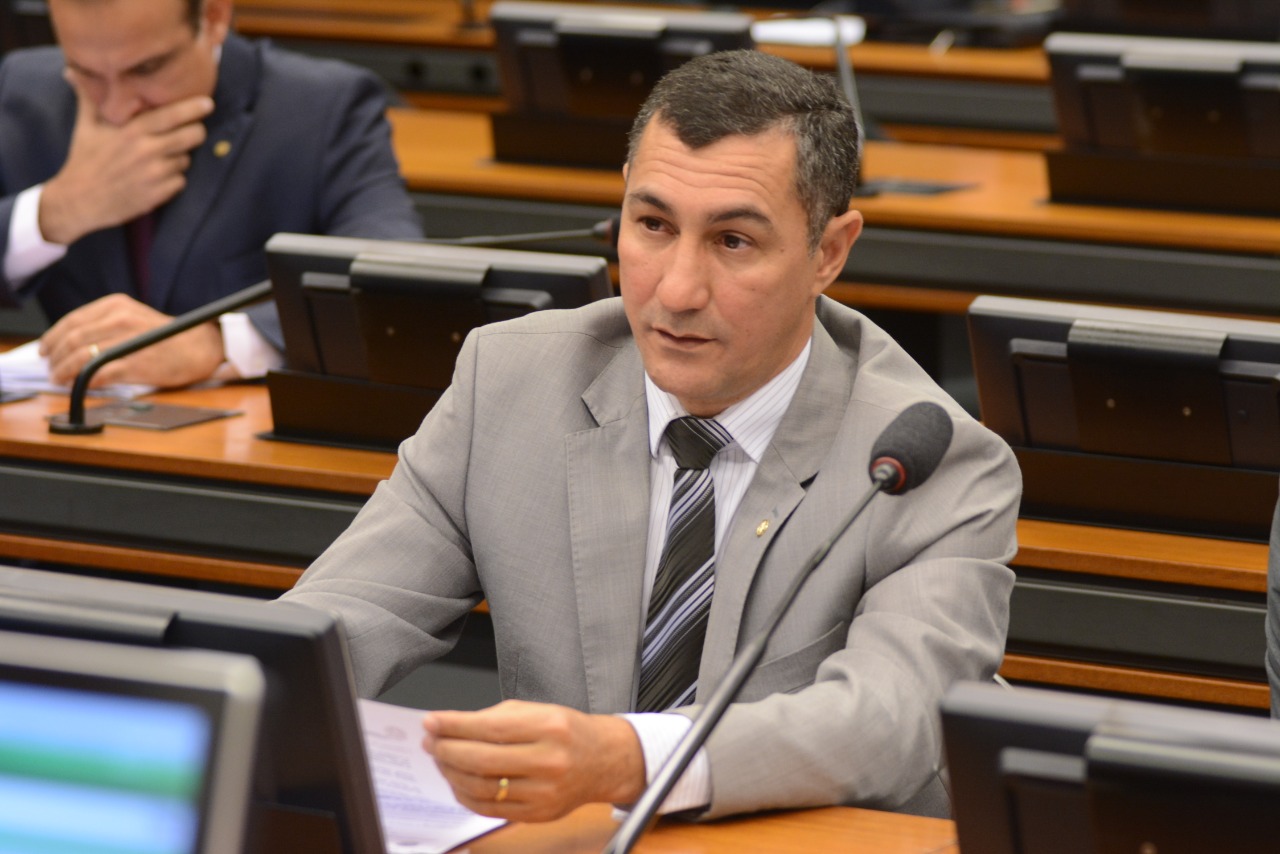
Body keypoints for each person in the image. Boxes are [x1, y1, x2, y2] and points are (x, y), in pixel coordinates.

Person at [283, 49, 1020, 823]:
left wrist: (628, 758)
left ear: (828, 253)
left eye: (732, 241)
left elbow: (890, 722)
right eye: (653, 226)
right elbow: (336, 620)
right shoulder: (509, 381)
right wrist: (226, 688)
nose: (676, 289)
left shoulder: (927, 459)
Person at [0, 0, 420, 389]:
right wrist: (57, 211)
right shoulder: (24, 89)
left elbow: (390, 280)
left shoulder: (323, 107)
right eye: (85, 74)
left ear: (215, 16)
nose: (117, 108)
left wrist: (215, 341)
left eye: (146, 69)